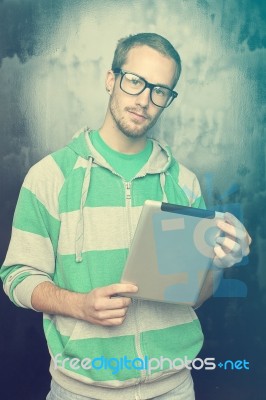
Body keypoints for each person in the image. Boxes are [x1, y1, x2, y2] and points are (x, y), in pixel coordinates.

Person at [0, 33, 251, 400]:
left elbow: (194, 297)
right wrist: (79, 305)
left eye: (160, 91)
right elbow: (16, 275)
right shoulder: (49, 176)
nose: (144, 100)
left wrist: (219, 262)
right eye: (135, 81)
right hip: (79, 391)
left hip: (174, 389)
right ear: (110, 79)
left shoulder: (183, 181)